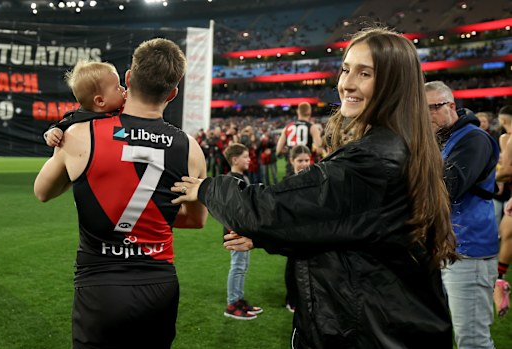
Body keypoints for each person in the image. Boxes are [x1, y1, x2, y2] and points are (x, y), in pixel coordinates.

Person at [172, 27, 457, 348]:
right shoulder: (402, 145)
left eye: (365, 73)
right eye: (346, 69)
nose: (347, 83)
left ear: (394, 85)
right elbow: (341, 230)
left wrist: (208, 188)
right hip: (389, 325)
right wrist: (265, 236)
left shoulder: (375, 158)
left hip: (369, 333)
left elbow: (270, 209)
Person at [34, 38, 208, 349]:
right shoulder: (190, 149)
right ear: (173, 93)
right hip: (159, 284)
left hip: (100, 285)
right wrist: (151, 215)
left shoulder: (81, 134)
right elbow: (196, 221)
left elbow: (43, 192)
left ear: (128, 78)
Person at [425, 80, 499, 349]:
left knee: (473, 341)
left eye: (433, 108)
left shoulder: (473, 139)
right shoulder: (444, 139)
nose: (427, 115)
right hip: (446, 249)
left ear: (451, 106)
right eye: (423, 110)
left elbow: (447, 188)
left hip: (469, 251)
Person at [221, 143, 263, 320]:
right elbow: (231, 210)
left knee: (242, 267)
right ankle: (232, 304)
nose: (249, 160)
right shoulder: (232, 180)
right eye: (245, 157)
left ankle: (239, 300)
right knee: (237, 267)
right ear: (234, 159)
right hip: (236, 232)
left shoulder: (241, 178)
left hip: (243, 230)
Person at [43, 60, 125, 147]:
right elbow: (59, 126)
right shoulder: (78, 118)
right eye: (117, 87)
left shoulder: (125, 110)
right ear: (100, 101)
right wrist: (53, 133)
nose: (123, 89)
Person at [283, 145, 311, 313]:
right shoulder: (287, 182)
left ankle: (303, 297)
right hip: (292, 231)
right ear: (291, 161)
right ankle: (291, 299)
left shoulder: (313, 178)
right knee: (292, 265)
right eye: (300, 161)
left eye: (307, 160)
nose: (304, 164)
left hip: (307, 230)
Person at [494, 106, 512, 317]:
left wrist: (482, 177)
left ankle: (499, 282)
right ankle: (499, 281)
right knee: (506, 232)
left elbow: (507, 170)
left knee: (505, 233)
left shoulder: (508, 139)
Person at [275, 102, 322, 177]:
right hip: (306, 166)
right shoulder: (312, 127)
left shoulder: (287, 127)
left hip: (291, 166)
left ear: (298, 112)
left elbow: (278, 150)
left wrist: (289, 150)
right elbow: (319, 150)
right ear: (309, 112)